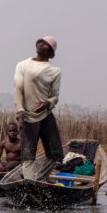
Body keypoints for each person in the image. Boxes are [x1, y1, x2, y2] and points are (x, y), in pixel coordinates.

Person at [13, 36, 63, 167]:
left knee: (55, 153)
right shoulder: (23, 65)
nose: (42, 44)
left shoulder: (55, 71)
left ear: (51, 53)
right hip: (28, 117)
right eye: (41, 42)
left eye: (47, 44)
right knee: (28, 156)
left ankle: (45, 177)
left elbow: (54, 97)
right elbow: (18, 88)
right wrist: (20, 110)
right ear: (37, 44)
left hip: (45, 115)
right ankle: (29, 180)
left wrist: (47, 104)